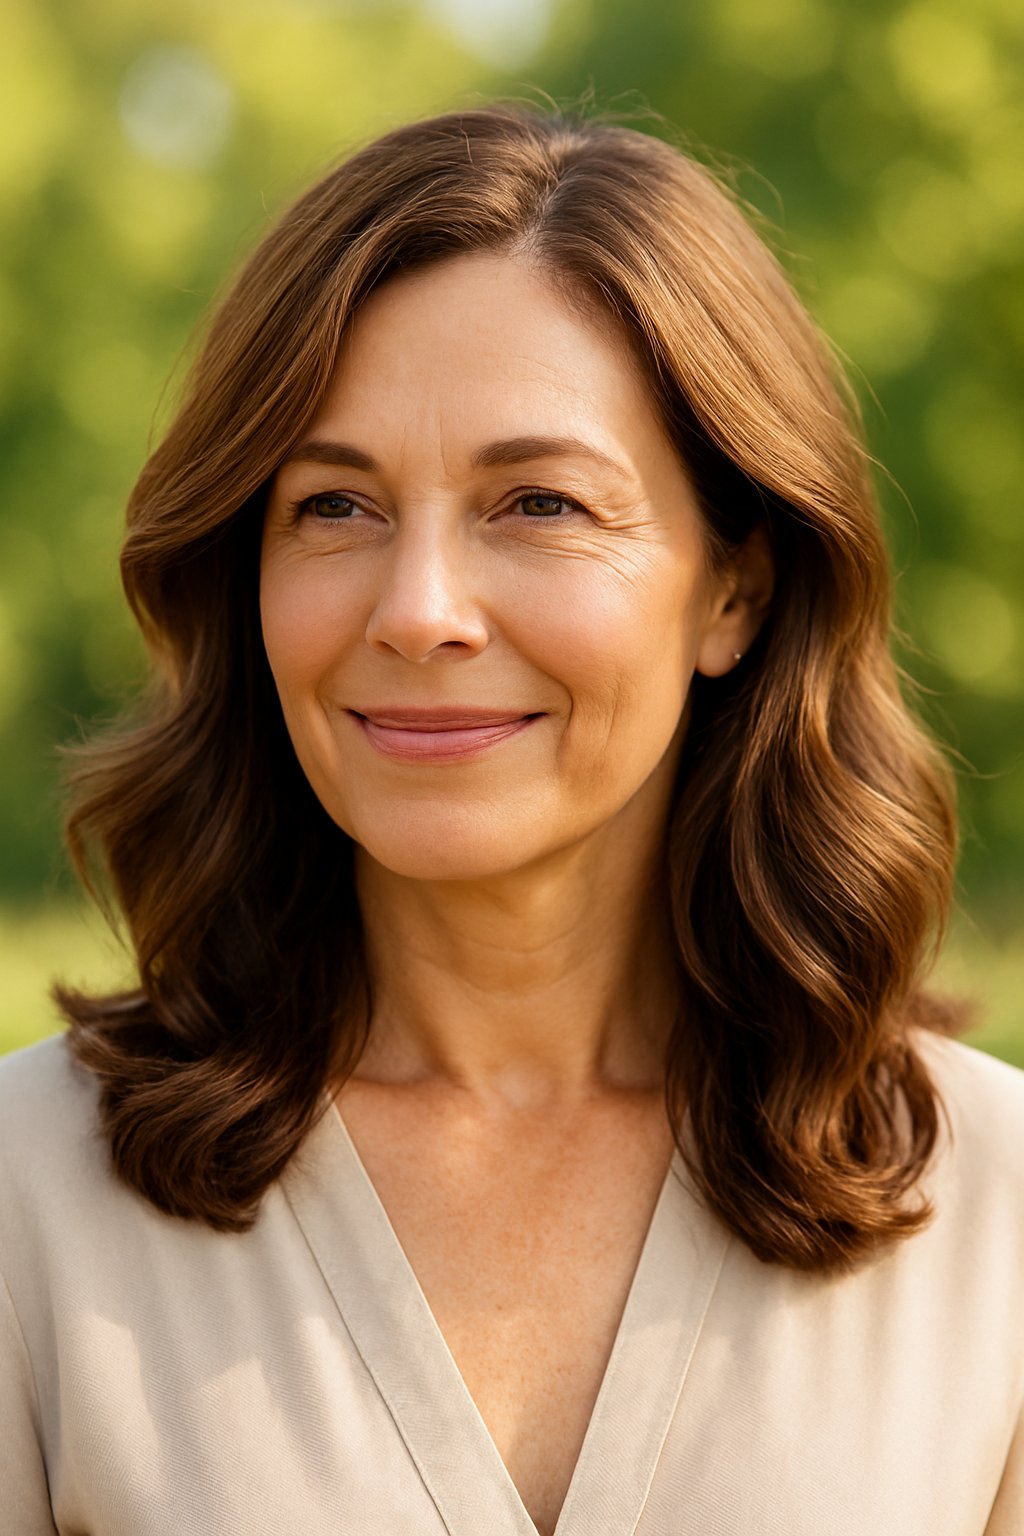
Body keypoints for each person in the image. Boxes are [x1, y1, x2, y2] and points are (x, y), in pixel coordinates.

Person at [1, 101, 1021, 1536]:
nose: (418, 609)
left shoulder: (997, 1221)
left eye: (537, 502)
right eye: (334, 508)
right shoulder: (25, 1203)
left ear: (736, 587)